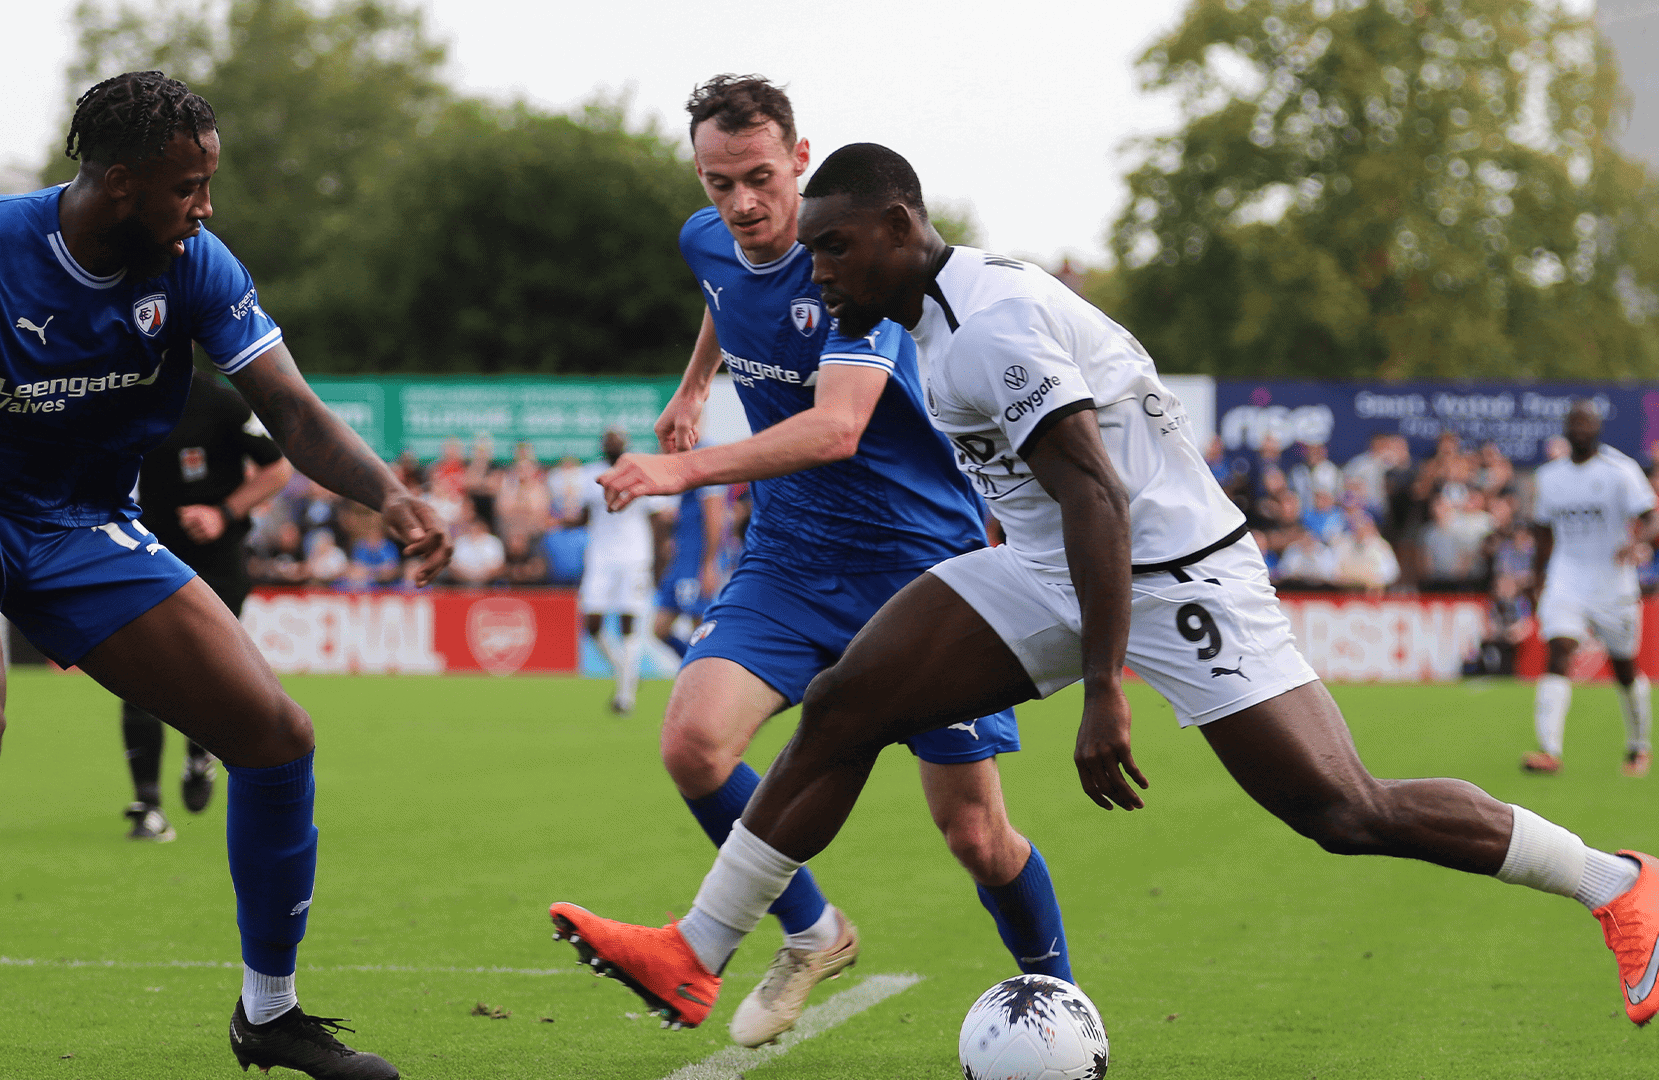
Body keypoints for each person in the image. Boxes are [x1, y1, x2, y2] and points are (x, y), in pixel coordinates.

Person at [549, 142, 1659, 1037]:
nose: (819, 272)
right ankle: (695, 956)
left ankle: (1615, 882)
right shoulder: (921, 311)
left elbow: (1098, 499)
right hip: (1048, 566)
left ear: (899, 229)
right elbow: (1058, 510)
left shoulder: (988, 325)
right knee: (848, 704)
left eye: (835, 251)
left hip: (1174, 578)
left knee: (1341, 809)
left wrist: (1101, 689)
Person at [0, 72, 450, 1080]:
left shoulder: (196, 266)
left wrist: (391, 495)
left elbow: (292, 412)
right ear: (120, 184)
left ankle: (271, 1016)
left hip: (77, 520)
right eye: (188, 187)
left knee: (276, 735)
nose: (205, 208)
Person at [573, 78, 1075, 1048]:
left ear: (801, 160)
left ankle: (1058, 1001)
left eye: (760, 178)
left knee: (974, 835)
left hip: (924, 571)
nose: (742, 206)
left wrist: (680, 463)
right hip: (792, 558)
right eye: (718, 184)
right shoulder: (705, 238)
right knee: (691, 744)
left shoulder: (860, 269)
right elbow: (724, 291)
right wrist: (695, 381)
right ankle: (813, 931)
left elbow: (839, 427)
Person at [117, 368, 293, 843]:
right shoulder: (121, 397)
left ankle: (201, 751)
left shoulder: (222, 404)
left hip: (216, 564)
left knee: (206, 674)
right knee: (136, 675)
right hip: (148, 556)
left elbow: (278, 468)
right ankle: (148, 806)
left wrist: (224, 513)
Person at [1524, 401, 1656, 778]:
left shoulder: (1621, 471)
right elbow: (1543, 533)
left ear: (1597, 429)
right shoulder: (1549, 476)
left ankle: (1638, 746)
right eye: (1574, 423)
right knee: (1559, 649)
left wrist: (1638, 543)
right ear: (1566, 431)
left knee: (1624, 669)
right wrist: (1538, 580)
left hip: (1613, 584)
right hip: (1567, 579)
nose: (1579, 429)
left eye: (1586, 423)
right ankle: (1549, 750)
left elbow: (1651, 517)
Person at [570, 429, 673, 715]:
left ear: (626, 446)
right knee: (591, 622)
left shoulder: (640, 472)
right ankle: (624, 672)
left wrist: (658, 560)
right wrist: (562, 522)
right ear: (603, 446)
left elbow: (656, 519)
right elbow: (585, 516)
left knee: (629, 621)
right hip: (600, 557)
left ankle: (624, 696)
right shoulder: (590, 475)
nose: (612, 445)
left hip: (634, 557)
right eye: (608, 441)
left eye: (617, 441)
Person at [652, 480, 726, 658]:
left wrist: (710, 563)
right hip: (680, 560)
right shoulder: (685, 472)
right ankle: (693, 665)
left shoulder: (706, 470)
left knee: (701, 628)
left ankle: (706, 674)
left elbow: (715, 517)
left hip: (696, 561)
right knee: (659, 628)